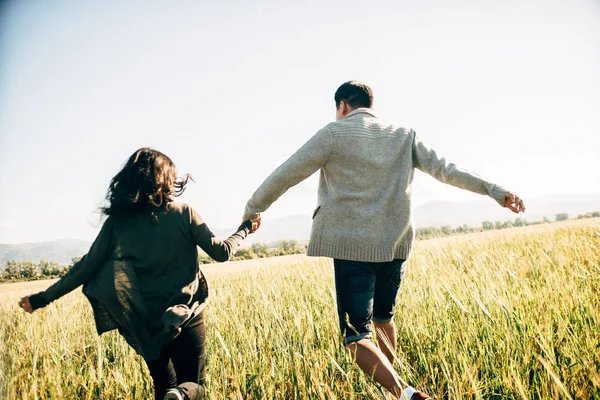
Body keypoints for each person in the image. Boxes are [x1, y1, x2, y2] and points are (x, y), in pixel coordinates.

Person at [242, 81, 525, 399]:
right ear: (369, 105)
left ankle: (405, 394)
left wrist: (252, 210)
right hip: (395, 245)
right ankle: (393, 390)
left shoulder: (333, 134)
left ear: (343, 106)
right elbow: (447, 170)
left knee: (355, 338)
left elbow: (286, 174)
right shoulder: (404, 134)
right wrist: (496, 191)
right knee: (384, 317)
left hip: (352, 249)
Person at [18, 148, 261, 400]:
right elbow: (221, 252)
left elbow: (85, 268)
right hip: (185, 316)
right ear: (165, 179)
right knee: (194, 385)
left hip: (146, 325)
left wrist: (40, 299)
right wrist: (245, 229)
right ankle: (181, 395)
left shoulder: (118, 224)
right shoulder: (184, 213)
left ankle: (173, 394)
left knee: (162, 386)